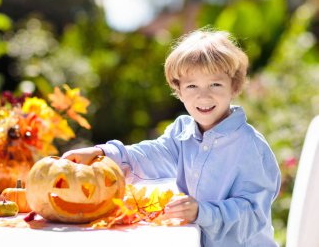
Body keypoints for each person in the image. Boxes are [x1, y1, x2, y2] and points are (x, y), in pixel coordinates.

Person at [62, 28, 281, 247]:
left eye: (215, 84)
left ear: (234, 86)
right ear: (179, 90)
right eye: (192, 86)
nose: (203, 95)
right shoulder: (182, 132)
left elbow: (252, 214)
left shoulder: (250, 146)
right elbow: (151, 154)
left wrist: (202, 212)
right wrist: (103, 153)